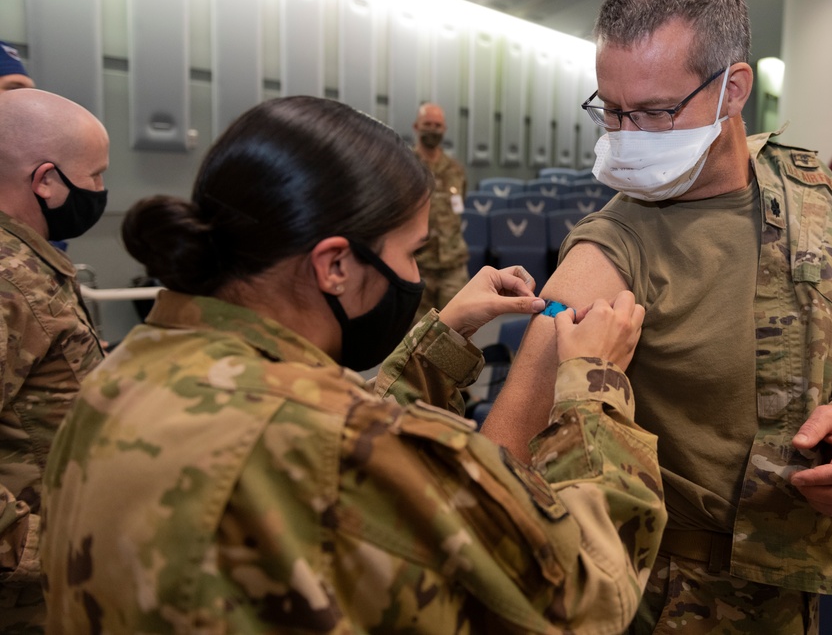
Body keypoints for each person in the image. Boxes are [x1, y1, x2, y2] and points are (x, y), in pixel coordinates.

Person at [40, 96, 667, 634]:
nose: (417, 278)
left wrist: (443, 336)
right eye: (410, 253)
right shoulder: (339, 445)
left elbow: (321, 432)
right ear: (335, 265)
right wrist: (595, 390)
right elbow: (591, 593)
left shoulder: (127, 372)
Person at [481, 0, 832, 634]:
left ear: (732, 90)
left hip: (791, 586)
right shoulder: (608, 248)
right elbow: (502, 468)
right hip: (670, 601)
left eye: (652, 111)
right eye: (611, 110)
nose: (624, 137)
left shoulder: (812, 193)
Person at [0, 88, 108, 632]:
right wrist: (46, 552)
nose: (102, 191)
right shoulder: (6, 279)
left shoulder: (26, 262)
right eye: (96, 177)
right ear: (46, 180)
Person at [412, 102, 469, 322]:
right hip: (418, 263)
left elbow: (459, 204)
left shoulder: (455, 169)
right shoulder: (405, 165)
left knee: (457, 329)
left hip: (452, 263)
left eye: (437, 125)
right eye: (427, 124)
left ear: (444, 129)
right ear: (416, 126)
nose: (433, 129)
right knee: (415, 333)